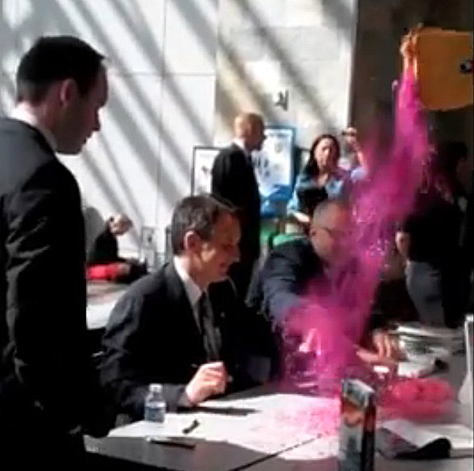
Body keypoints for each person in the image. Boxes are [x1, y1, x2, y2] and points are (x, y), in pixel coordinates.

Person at [0, 36, 112, 471]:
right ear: (67, 93)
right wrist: (77, 413)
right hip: (19, 431)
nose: (96, 124)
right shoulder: (44, 180)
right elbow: (37, 322)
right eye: (96, 106)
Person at [99, 195, 263, 422]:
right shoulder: (145, 300)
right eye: (226, 246)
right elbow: (114, 385)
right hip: (159, 429)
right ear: (192, 243)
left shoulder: (222, 291)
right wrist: (183, 395)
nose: (236, 256)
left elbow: (247, 341)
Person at [248, 199, 400, 379]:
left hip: (327, 367)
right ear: (313, 233)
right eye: (337, 235)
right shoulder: (287, 257)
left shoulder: (352, 265)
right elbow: (280, 296)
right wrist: (312, 319)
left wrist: (376, 331)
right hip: (269, 363)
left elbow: (368, 302)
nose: (345, 243)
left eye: (351, 235)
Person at [396, 141, 469, 327]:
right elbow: (403, 237)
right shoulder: (423, 196)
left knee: (445, 328)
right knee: (441, 329)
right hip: (430, 271)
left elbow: (403, 237)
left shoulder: (452, 192)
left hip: (444, 272)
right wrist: (409, 261)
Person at [211, 112, 265, 299]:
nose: (264, 138)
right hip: (234, 243)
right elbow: (222, 202)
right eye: (261, 131)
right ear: (250, 130)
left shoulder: (244, 159)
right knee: (230, 291)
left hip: (244, 243)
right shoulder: (229, 158)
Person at [287, 134, 351, 218]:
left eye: (331, 150)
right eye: (324, 149)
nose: (327, 153)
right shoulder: (304, 178)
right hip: (306, 223)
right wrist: (305, 219)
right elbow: (292, 208)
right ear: (315, 152)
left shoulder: (344, 179)